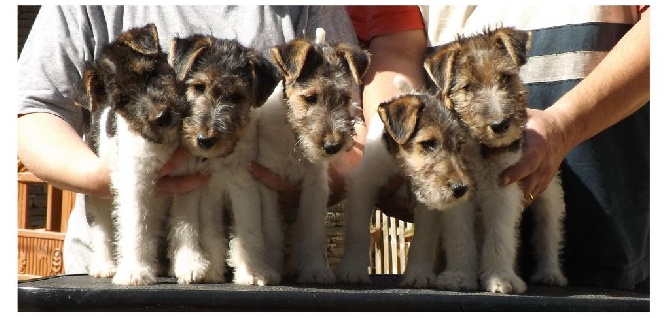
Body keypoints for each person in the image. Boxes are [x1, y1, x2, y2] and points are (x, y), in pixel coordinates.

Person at [17, 5, 360, 275]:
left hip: (274, 273)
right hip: (111, 270)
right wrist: (109, 178)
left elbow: (350, 118)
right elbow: (32, 112)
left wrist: (305, 181)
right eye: (194, 88)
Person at [344, 5, 649, 291]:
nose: (496, 108)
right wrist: (411, 149)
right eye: (468, 88)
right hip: (451, 269)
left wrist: (565, 126)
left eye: (506, 78)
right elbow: (393, 50)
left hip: (609, 215)